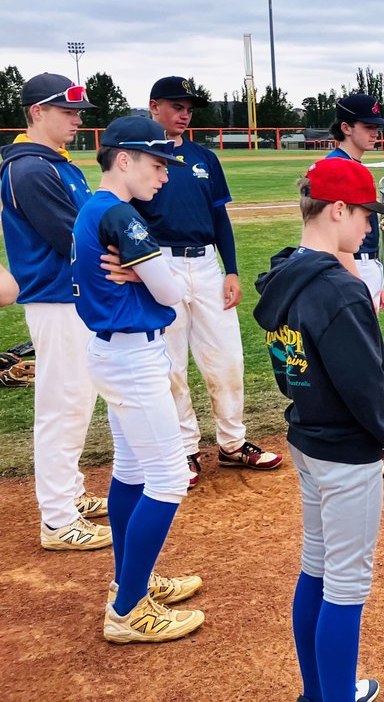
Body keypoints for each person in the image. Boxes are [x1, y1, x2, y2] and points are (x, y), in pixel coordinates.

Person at [254, 156, 384, 702]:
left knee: (316, 569)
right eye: (365, 215)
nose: (369, 227)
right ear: (338, 209)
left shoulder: (284, 273)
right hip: (345, 451)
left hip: (306, 436)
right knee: (346, 586)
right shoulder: (339, 291)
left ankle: (319, 692)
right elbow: (364, 382)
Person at [72, 116, 205, 643]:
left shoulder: (98, 208)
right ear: (123, 159)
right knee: (169, 480)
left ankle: (131, 582)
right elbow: (173, 293)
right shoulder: (120, 215)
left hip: (118, 351)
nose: (165, 176)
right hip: (130, 356)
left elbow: (158, 283)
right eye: (156, 164)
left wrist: (150, 276)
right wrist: (160, 279)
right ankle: (128, 610)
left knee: (131, 471)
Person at [134, 76, 281, 490]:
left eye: (189, 107)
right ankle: (184, 449)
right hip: (160, 264)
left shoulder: (204, 158)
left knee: (227, 358)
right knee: (171, 365)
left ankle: (233, 444)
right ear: (154, 106)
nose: (184, 114)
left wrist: (231, 269)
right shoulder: (142, 159)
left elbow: (220, 218)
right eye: (176, 106)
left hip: (206, 266)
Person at [0, 73, 110, 552]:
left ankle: (68, 494)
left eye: (78, 113)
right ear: (36, 112)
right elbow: (72, 237)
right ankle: (58, 519)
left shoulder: (55, 163)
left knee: (76, 402)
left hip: (70, 297)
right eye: (66, 112)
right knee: (62, 407)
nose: (76, 121)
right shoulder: (30, 168)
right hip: (55, 298)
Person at [325, 93, 384, 312]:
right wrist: (359, 283)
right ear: (346, 128)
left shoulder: (352, 165)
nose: (375, 133)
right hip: (350, 267)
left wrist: (377, 281)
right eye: (368, 127)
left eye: (376, 127)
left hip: (365, 265)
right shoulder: (337, 167)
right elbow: (333, 236)